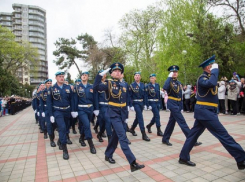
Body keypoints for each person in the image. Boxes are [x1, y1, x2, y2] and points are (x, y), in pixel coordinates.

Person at [179, 55, 245, 170]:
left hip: (207, 112)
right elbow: (211, 83)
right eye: (213, 66)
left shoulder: (210, 77)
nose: (215, 68)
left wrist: (214, 73)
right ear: (208, 67)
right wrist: (215, 71)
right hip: (205, 112)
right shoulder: (202, 78)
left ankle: (183, 157)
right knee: (224, 135)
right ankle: (241, 159)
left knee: (193, 135)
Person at [93, 62, 145, 172]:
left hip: (122, 114)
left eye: (119, 71)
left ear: (121, 74)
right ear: (111, 74)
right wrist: (100, 74)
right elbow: (96, 87)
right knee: (123, 137)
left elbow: (125, 102)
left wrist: (126, 116)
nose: (117, 72)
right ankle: (132, 162)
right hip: (113, 113)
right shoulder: (108, 83)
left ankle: (108, 154)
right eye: (115, 71)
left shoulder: (124, 85)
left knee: (116, 137)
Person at [162, 65, 202, 146]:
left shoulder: (179, 83)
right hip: (172, 104)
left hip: (177, 104)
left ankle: (165, 139)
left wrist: (181, 106)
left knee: (171, 123)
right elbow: (165, 87)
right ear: (170, 73)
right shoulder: (169, 82)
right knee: (182, 122)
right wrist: (169, 77)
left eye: (176, 72)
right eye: (173, 72)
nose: (175, 73)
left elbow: (180, 95)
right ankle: (192, 140)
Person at [47, 71, 75, 160]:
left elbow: (72, 100)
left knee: (66, 128)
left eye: (63, 76)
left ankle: (60, 140)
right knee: (62, 128)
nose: (62, 78)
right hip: (57, 111)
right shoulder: (52, 89)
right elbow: (49, 103)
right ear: (56, 78)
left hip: (67, 111)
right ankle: (65, 150)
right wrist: (51, 115)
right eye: (60, 76)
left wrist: (73, 110)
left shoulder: (68, 88)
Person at [73, 71, 97, 154]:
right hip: (81, 109)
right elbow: (75, 100)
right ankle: (91, 145)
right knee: (87, 125)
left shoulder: (91, 87)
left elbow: (95, 98)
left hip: (90, 109)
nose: (83, 76)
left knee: (84, 126)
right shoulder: (77, 87)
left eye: (85, 75)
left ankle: (81, 138)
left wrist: (96, 108)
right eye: (82, 75)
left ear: (88, 77)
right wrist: (74, 110)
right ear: (81, 77)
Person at [128, 72, 150, 141]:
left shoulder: (143, 85)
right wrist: (131, 105)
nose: (137, 77)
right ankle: (144, 134)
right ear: (134, 77)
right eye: (136, 75)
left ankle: (132, 129)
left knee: (138, 118)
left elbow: (145, 95)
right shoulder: (131, 85)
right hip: (135, 103)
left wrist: (146, 104)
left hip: (141, 103)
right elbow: (129, 96)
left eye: (138, 75)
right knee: (140, 117)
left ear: (140, 77)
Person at [94, 70, 112, 143]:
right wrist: (96, 108)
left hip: (108, 106)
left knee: (108, 121)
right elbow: (95, 97)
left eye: (104, 74)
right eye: (101, 74)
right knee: (102, 123)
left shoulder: (109, 83)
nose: (103, 75)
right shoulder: (97, 84)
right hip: (101, 106)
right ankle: (100, 134)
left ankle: (110, 139)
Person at [40, 79, 57, 147]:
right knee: (49, 125)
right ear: (45, 84)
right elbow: (41, 103)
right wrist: (42, 111)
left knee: (55, 125)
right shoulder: (43, 93)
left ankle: (53, 135)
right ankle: (51, 140)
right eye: (48, 83)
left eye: (50, 83)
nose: (49, 84)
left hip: (54, 109)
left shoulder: (54, 90)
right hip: (47, 110)